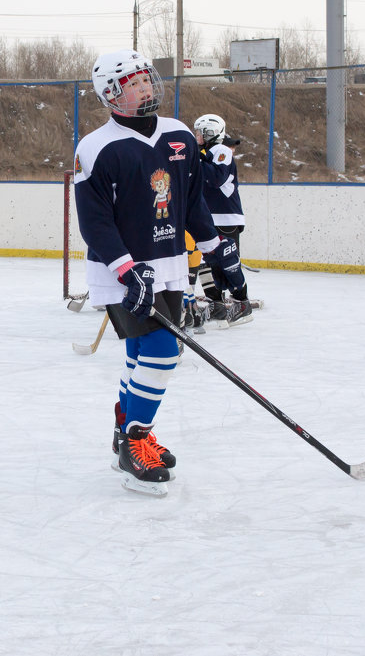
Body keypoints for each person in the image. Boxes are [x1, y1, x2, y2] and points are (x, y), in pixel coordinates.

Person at [74, 50, 248, 496]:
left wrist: (217, 250)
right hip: (122, 271)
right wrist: (126, 269)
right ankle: (135, 442)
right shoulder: (95, 147)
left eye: (146, 80)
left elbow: (191, 202)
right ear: (112, 95)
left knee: (140, 355)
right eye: (133, 83)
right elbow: (94, 222)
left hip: (169, 265)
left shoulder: (179, 136)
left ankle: (128, 429)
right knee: (162, 351)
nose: (145, 88)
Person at [192, 113, 254, 326]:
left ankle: (241, 303)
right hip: (208, 216)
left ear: (210, 133)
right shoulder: (205, 152)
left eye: (199, 133)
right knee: (208, 262)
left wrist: (196, 157)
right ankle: (216, 304)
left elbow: (216, 178)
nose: (196, 136)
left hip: (225, 215)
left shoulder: (221, 150)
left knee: (227, 261)